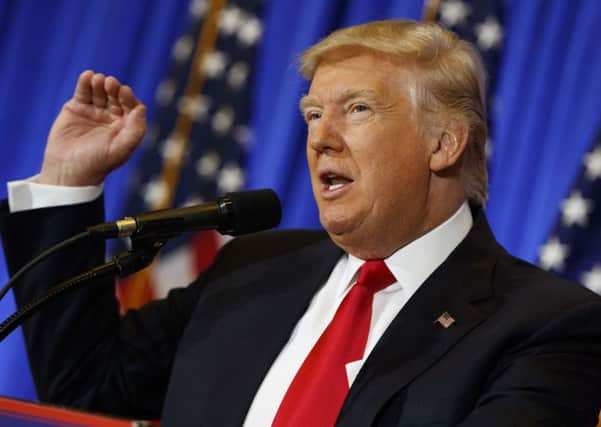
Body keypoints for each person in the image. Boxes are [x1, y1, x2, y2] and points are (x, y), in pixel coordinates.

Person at [2, 20, 601, 427]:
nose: (320, 138)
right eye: (312, 114)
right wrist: (66, 178)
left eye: (357, 110)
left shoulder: (545, 325)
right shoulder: (252, 269)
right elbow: (84, 388)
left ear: (443, 143)